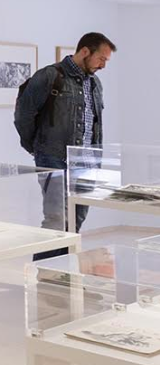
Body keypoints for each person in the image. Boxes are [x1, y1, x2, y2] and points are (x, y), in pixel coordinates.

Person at [14, 32, 114, 260]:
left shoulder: (95, 84)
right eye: (101, 58)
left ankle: (63, 270)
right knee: (56, 220)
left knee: (76, 220)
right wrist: (37, 148)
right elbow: (23, 115)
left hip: (86, 163)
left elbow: (96, 124)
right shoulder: (50, 76)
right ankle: (43, 272)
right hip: (54, 159)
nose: (103, 65)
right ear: (85, 51)